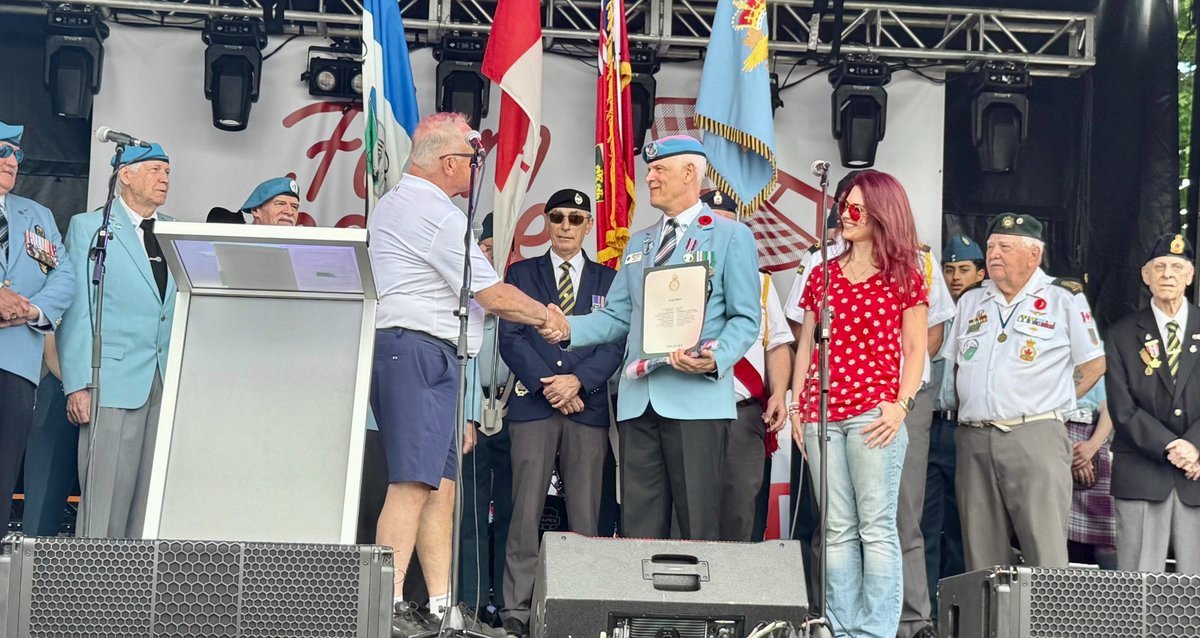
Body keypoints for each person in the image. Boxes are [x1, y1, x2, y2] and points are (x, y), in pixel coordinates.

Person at [367, 112, 566, 638]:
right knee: (412, 483)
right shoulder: (433, 212)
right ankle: (385, 606)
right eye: (472, 159)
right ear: (448, 162)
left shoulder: (403, 203)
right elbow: (491, 294)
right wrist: (548, 317)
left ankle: (440, 607)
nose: (477, 168)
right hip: (417, 350)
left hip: (429, 353)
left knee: (442, 486)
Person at [539, 135, 761, 541]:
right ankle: (642, 589)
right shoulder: (639, 242)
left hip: (697, 403)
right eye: (650, 169)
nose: (649, 177)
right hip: (639, 402)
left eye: (659, 169)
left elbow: (746, 318)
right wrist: (568, 328)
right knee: (639, 530)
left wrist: (716, 358)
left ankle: (696, 589)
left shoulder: (730, 235)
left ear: (690, 173)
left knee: (697, 528)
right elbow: (616, 316)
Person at [784, 172, 953, 638]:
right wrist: (797, 406)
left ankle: (874, 630)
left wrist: (901, 405)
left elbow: (916, 348)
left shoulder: (907, 271)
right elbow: (805, 346)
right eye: (844, 206)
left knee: (875, 527)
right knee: (836, 527)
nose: (846, 214)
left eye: (857, 208)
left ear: (882, 213)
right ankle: (842, 628)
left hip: (874, 414)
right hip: (822, 413)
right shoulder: (822, 271)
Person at [497, 189, 623, 638]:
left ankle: (583, 606)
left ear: (588, 225)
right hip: (535, 403)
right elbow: (511, 338)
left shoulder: (610, 278)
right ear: (547, 222)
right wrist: (552, 384)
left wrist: (578, 382)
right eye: (557, 217)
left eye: (575, 218)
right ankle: (516, 610)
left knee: (586, 516)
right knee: (524, 512)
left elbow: (615, 341)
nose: (566, 226)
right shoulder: (521, 273)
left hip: (586, 405)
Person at [947, 212, 1104, 571]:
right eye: (991, 247)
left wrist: (1054, 397)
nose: (994, 254)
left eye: (1005, 247)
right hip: (974, 438)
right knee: (981, 556)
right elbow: (958, 366)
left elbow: (1095, 363)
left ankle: (1048, 613)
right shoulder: (971, 300)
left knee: (1044, 550)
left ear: (1034, 254)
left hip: (1035, 434)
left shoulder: (1063, 297)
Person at [59, 142, 177, 539]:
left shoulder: (176, 231)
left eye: (167, 171)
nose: (164, 178)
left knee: (152, 503)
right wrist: (77, 384)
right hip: (111, 377)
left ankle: (140, 579)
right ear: (125, 174)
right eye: (155, 169)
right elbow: (79, 309)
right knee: (104, 500)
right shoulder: (91, 227)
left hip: (165, 379)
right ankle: (92, 577)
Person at [1105, 233, 1200, 574]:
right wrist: (1172, 445)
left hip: (1197, 472)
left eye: (1177, 267)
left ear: (1190, 275)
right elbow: (1122, 408)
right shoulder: (1120, 334)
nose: (1167, 274)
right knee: (1139, 587)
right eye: (1159, 267)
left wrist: (1195, 445)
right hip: (1141, 473)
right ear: (1145, 275)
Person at [702, 189, 793, 542]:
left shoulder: (761, 282)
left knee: (740, 513)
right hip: (692, 411)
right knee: (691, 513)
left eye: (731, 227)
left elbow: (778, 345)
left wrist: (779, 394)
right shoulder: (679, 277)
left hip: (743, 415)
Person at [0, 120, 74, 536]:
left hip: (17, 364)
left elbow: (64, 277)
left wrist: (31, 309)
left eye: (17, 153)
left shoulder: (37, 216)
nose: (11, 160)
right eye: (2, 151)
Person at [458, 213, 514, 627]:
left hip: (515, 412)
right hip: (473, 415)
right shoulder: (463, 295)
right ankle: (470, 602)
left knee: (514, 513)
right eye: (486, 248)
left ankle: (509, 605)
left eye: (500, 250)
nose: (492, 257)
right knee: (471, 514)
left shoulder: (518, 296)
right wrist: (469, 414)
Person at [921, 233, 981, 613]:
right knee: (924, 523)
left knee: (963, 525)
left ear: (980, 274)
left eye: (964, 269)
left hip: (964, 428)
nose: (956, 277)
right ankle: (924, 611)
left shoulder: (985, 315)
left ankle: (959, 613)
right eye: (949, 269)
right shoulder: (934, 312)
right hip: (930, 424)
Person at [1064, 378, 1116, 569]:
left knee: (1106, 534)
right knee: (1054, 526)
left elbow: (1108, 409)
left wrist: (1091, 448)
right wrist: (1070, 451)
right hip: (1057, 437)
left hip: (1094, 438)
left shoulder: (1100, 362)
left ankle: (1116, 586)